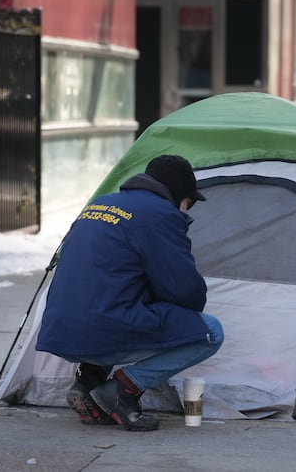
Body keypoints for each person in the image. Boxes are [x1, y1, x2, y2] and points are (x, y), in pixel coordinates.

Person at [35, 154, 224, 431]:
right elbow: (187, 294)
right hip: (102, 327)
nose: (186, 211)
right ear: (178, 195)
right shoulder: (161, 215)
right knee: (210, 332)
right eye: (189, 203)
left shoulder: (99, 204)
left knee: (119, 299)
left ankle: (88, 382)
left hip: (59, 330)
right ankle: (123, 390)